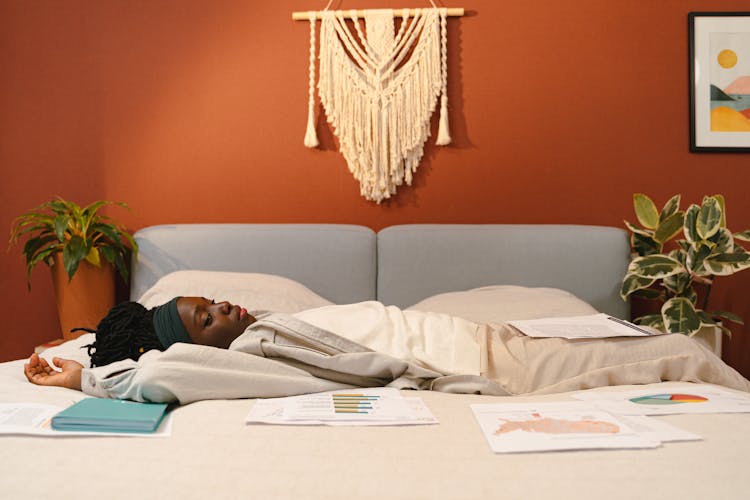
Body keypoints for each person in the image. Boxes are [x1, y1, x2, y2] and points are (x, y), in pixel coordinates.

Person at [24, 297, 750, 403]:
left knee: (647, 340)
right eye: (209, 315)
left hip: (494, 334)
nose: (227, 307)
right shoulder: (235, 354)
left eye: (212, 298)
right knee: (685, 350)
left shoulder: (270, 321)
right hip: (484, 366)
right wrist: (82, 378)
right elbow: (165, 367)